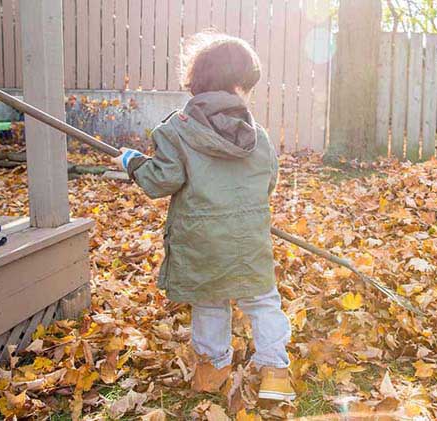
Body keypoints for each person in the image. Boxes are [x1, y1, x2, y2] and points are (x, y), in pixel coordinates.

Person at [112, 32, 294, 402]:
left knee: (210, 301)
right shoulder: (256, 136)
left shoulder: (176, 130)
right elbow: (269, 180)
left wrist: (133, 163)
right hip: (248, 240)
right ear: (237, 86)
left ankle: (212, 370)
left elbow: (163, 179)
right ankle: (275, 371)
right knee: (262, 302)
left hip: (202, 242)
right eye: (248, 87)